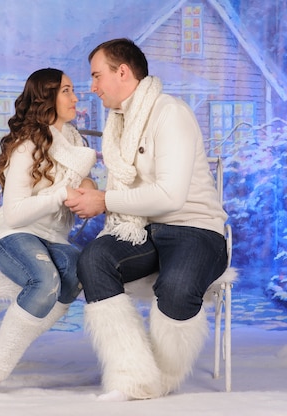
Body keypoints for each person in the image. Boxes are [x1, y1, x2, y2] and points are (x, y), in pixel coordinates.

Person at [64, 38, 229, 401]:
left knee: (176, 287)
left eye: (96, 75)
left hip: (195, 228)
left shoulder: (170, 112)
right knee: (94, 260)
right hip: (142, 227)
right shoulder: (118, 123)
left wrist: (104, 200)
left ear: (122, 72)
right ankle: (132, 376)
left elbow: (171, 197)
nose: (91, 87)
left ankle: (163, 377)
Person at [0, 68, 96, 393]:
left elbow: (77, 183)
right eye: (67, 90)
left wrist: (89, 185)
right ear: (47, 97)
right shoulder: (27, 146)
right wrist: (60, 194)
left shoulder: (73, 143)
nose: (76, 97)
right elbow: (14, 214)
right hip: (12, 237)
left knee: (76, 274)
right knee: (45, 282)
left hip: (53, 239)